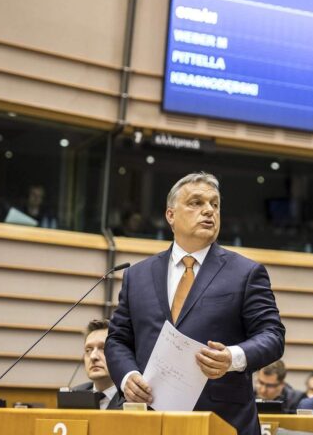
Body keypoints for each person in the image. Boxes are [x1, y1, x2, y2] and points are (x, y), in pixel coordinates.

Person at [104, 172, 285, 435]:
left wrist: (232, 357)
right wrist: (127, 377)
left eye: (215, 204)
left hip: (223, 420)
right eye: (196, 203)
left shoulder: (246, 273)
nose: (209, 210)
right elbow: (117, 340)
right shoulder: (137, 275)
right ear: (170, 215)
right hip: (150, 419)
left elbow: (272, 335)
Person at [71, 319, 121, 410]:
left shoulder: (134, 398)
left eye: (103, 348)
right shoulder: (74, 396)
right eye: (88, 350)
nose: (93, 356)